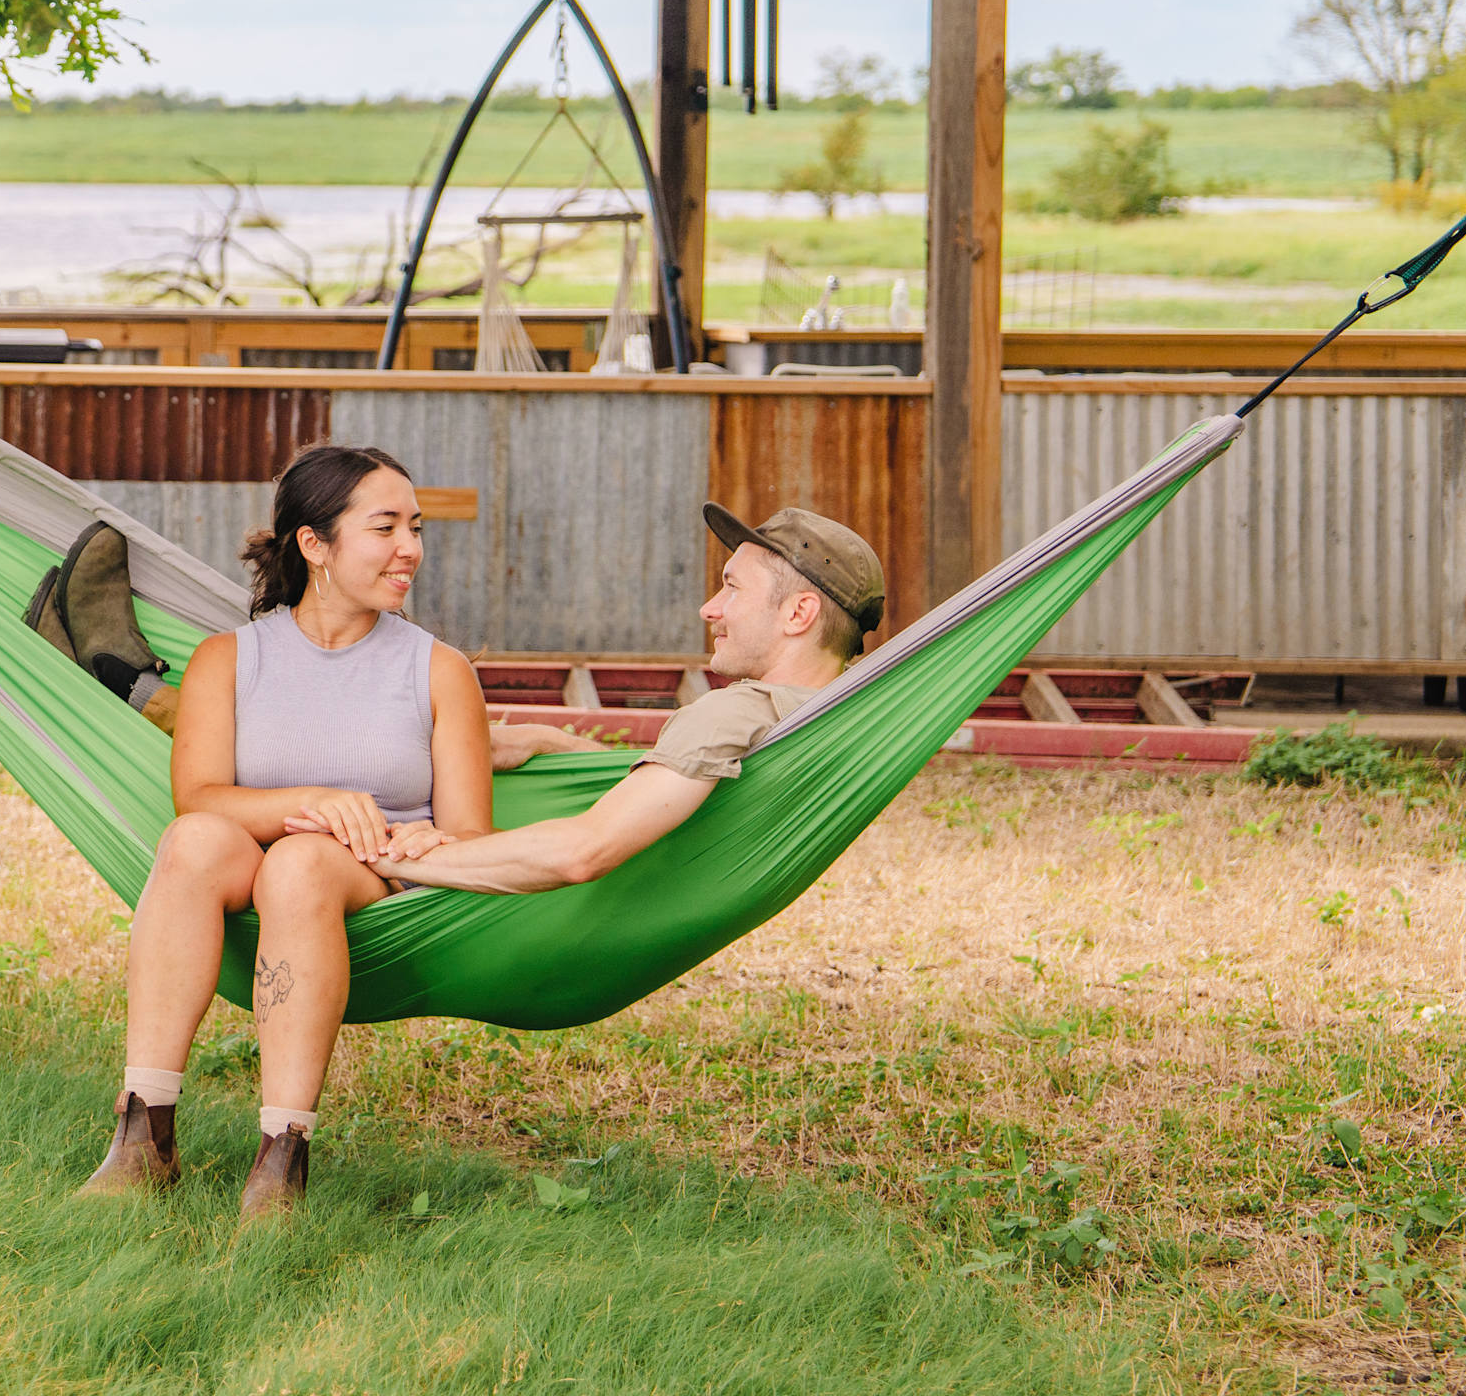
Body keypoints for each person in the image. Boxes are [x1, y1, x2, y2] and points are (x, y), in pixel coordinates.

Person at [81, 444, 494, 1216]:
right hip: (246, 859)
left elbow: (470, 832)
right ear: (315, 545)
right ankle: (143, 1133)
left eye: (416, 528)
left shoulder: (438, 670)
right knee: (193, 842)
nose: (411, 549)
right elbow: (198, 798)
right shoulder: (229, 660)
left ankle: (282, 1158)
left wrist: (430, 841)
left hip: (369, 875)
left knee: (301, 863)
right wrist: (316, 795)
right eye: (386, 528)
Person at [371, 502, 885, 900]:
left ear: (799, 614)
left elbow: (583, 853)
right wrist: (552, 742)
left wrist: (400, 858)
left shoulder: (732, 712)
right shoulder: (844, 709)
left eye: (732, 588)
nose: (710, 608)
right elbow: (684, 794)